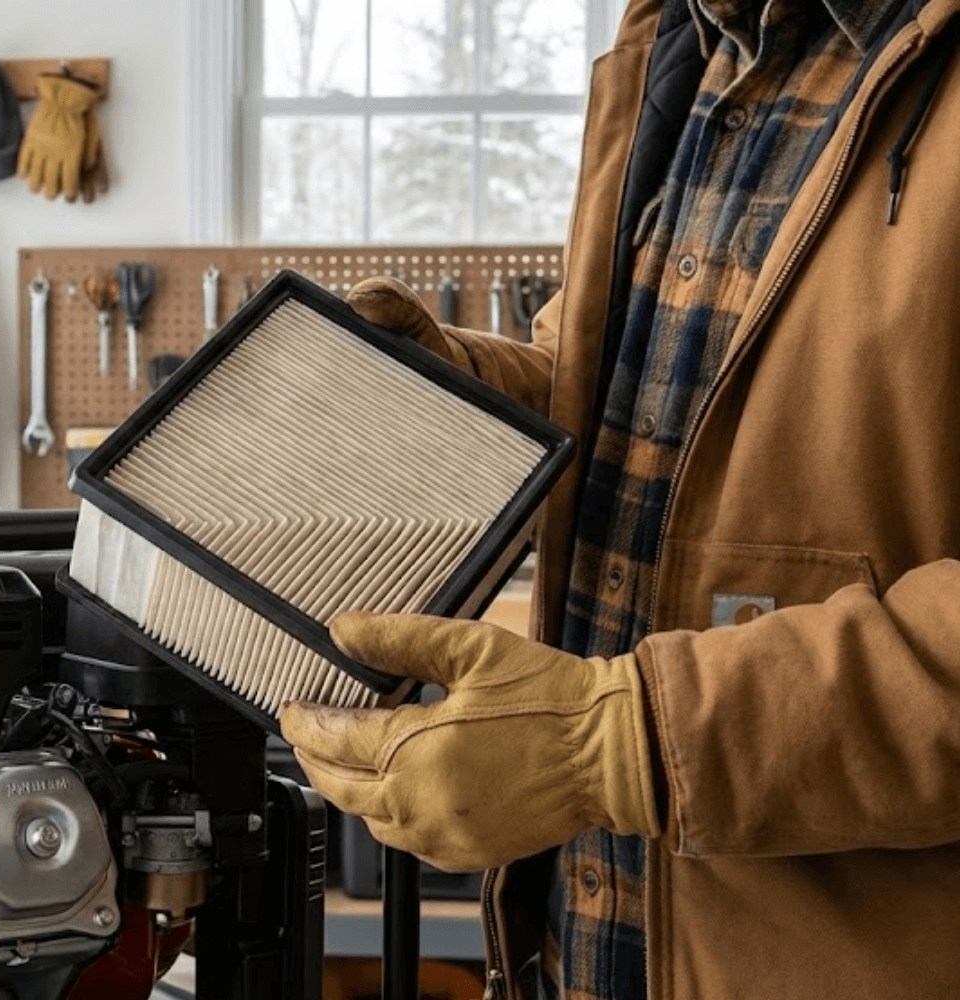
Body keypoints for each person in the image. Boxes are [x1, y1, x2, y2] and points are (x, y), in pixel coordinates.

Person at [280, 0, 960, 997]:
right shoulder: (689, 49)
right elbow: (639, 401)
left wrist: (625, 741)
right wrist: (452, 383)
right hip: (584, 954)